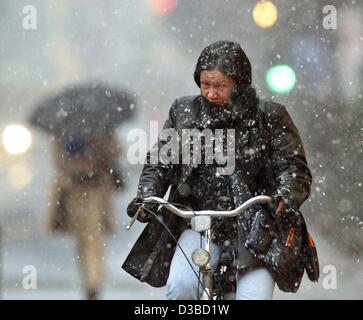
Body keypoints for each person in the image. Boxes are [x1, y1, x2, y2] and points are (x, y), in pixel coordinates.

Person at [122, 40, 319, 300]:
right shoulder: (184, 112)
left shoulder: (271, 116)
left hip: (258, 229)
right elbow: (161, 160)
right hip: (197, 224)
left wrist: (285, 195)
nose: (211, 93)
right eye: (205, 85)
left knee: (254, 297)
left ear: (239, 85)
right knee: (181, 287)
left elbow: (294, 168)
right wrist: (148, 195)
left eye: (221, 86)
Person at [46, 134, 124, 299]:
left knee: (91, 237)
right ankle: (92, 280)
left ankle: (93, 281)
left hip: (94, 189)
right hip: (75, 190)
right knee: (85, 238)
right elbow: (58, 160)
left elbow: (116, 151)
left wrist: (95, 153)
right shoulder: (96, 127)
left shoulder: (72, 128)